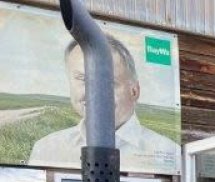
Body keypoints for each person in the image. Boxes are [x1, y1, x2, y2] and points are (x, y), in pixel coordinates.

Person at [28, 35, 180, 170]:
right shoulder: (47, 149)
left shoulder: (169, 151)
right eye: (83, 79)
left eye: (108, 82)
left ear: (134, 91)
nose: (94, 93)